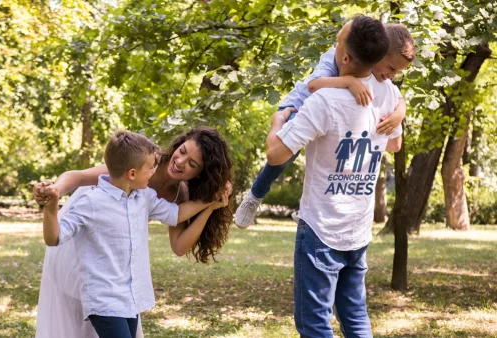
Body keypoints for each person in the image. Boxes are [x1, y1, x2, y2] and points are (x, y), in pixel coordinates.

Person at [265, 16, 407, 337]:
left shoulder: (324, 101)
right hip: (358, 229)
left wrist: (277, 123)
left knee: (315, 325)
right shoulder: (388, 94)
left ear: (343, 57)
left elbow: (276, 154)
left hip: (321, 229)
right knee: (355, 316)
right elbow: (395, 144)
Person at [34, 127, 233, 338]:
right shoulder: (139, 159)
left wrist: (210, 205)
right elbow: (78, 177)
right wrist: (53, 191)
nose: (181, 162)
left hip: (118, 264)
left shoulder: (168, 193)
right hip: (82, 240)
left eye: (192, 164)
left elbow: (179, 243)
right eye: (182, 151)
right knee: (79, 321)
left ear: (200, 174)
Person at [234, 22, 415, 228]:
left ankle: (309, 207)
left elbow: (398, 98)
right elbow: (313, 86)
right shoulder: (337, 54)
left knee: (328, 151)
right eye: (391, 68)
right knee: (286, 152)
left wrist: (400, 113)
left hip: (321, 113)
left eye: (398, 72)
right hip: (297, 106)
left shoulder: (380, 83)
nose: (393, 75)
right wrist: (348, 81)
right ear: (379, 53)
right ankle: (255, 195)